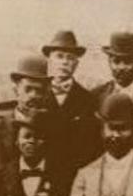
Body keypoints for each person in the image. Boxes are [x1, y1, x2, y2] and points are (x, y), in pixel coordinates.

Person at [0, 53, 52, 196]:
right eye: (28, 89)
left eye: (39, 91)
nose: (34, 95)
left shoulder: (53, 129)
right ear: (16, 90)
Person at [42, 29, 100, 172]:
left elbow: (91, 143)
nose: (64, 62)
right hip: (42, 172)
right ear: (49, 61)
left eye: (70, 58)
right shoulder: (38, 95)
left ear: (76, 64)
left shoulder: (88, 99)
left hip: (74, 173)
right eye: (59, 56)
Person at [93, 31, 133, 121]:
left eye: (127, 62)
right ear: (109, 63)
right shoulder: (97, 96)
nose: (121, 67)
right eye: (116, 62)